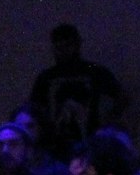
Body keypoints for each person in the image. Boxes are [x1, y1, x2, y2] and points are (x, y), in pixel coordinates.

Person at [29, 23, 127, 154]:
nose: (64, 51)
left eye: (67, 46)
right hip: (56, 147)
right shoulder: (46, 78)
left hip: (91, 142)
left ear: (77, 44)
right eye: (59, 47)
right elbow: (33, 109)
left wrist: (108, 125)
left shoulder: (94, 71)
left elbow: (120, 97)